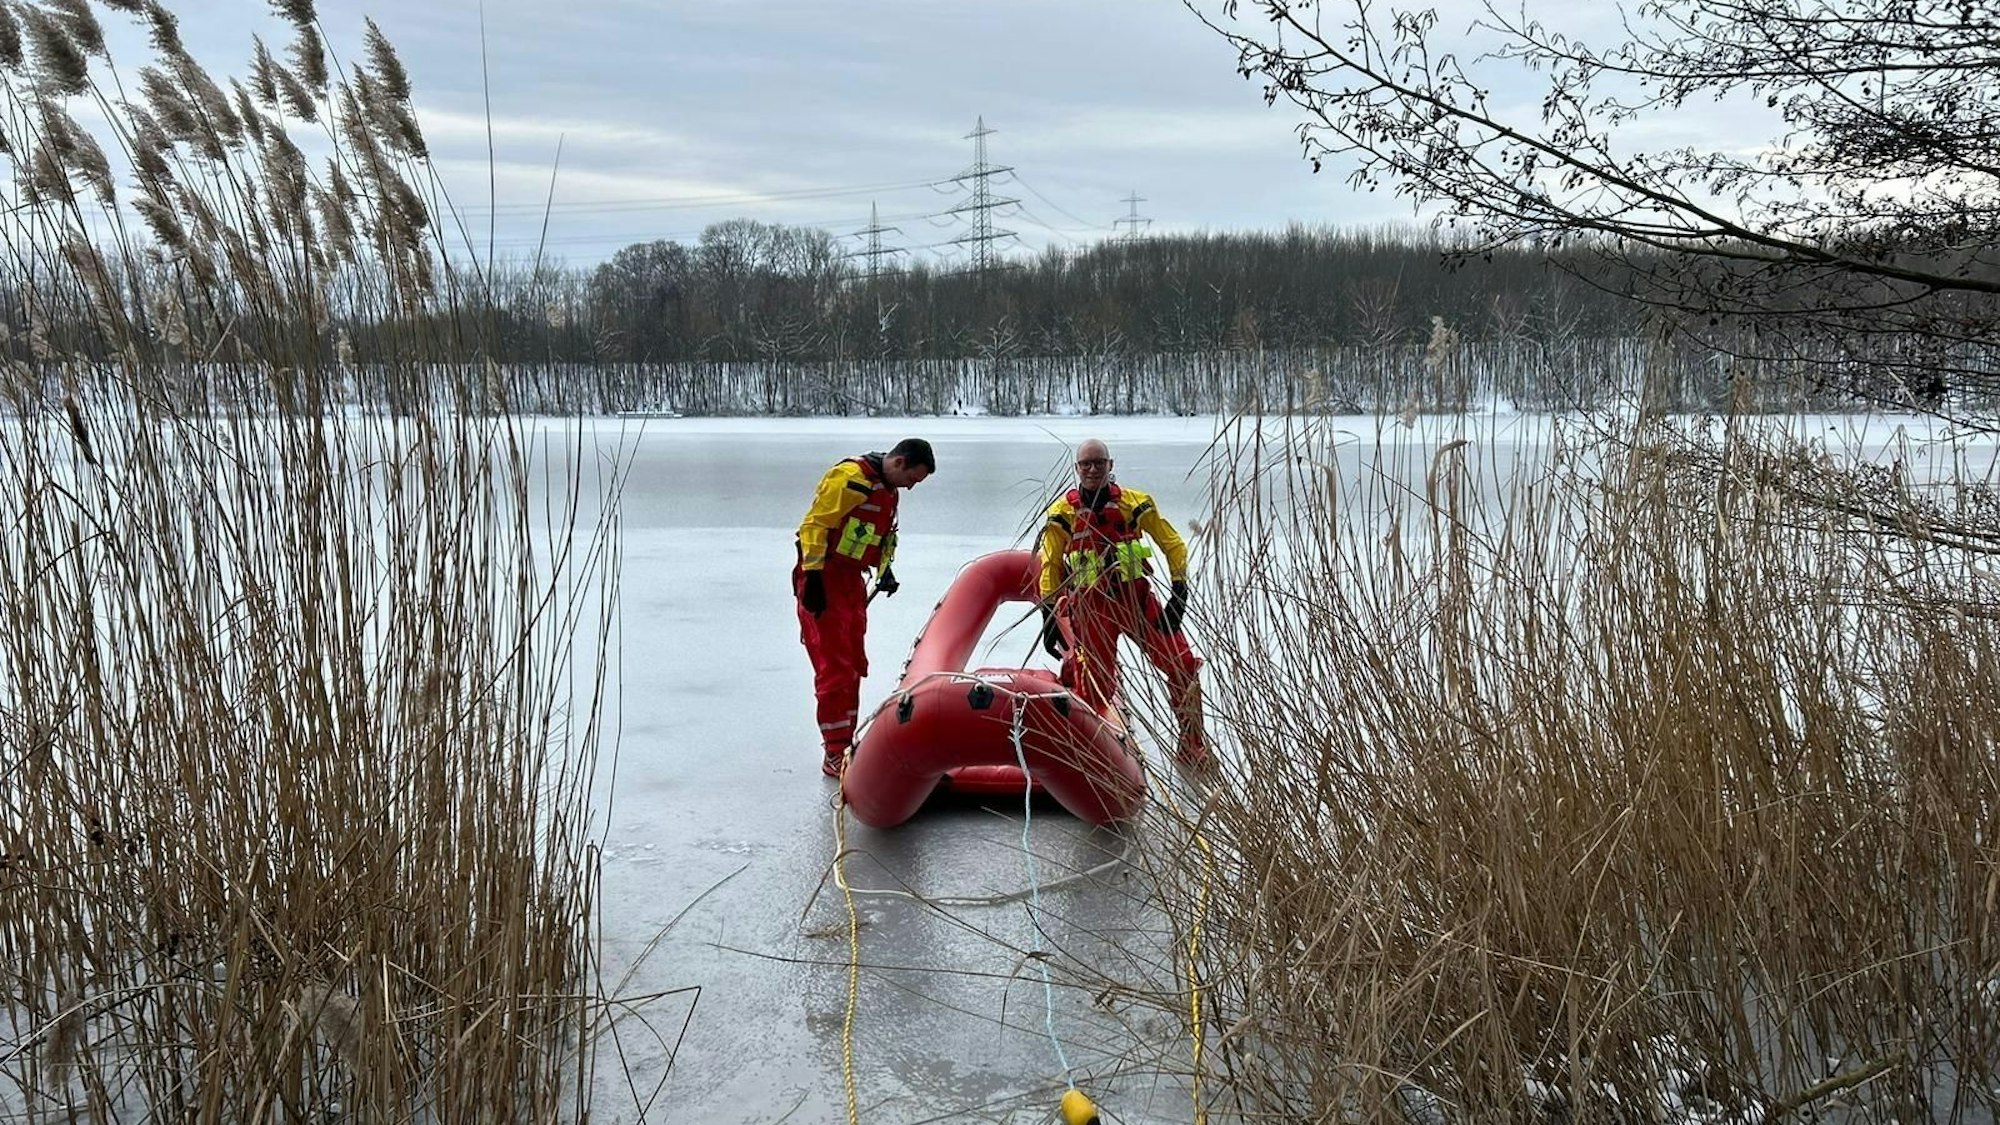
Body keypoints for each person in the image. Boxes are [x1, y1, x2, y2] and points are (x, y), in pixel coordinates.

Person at [1036, 438, 1207, 763]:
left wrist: (1179, 593)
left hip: (1136, 602)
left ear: (1110, 465)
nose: (1092, 469)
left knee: (1183, 666)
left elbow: (1173, 544)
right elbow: (1051, 564)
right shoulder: (1062, 514)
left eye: (1099, 462)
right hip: (1091, 607)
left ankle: (1192, 746)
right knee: (1095, 687)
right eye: (1086, 464)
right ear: (1077, 469)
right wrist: (1049, 614)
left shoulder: (1135, 503)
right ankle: (1090, 751)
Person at [795, 438, 936, 777]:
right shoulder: (849, 478)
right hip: (824, 578)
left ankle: (845, 744)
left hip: (852, 582)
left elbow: (885, 537)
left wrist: (885, 569)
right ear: (899, 463)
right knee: (835, 668)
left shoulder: (889, 491)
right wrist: (813, 577)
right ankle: (834, 752)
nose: (912, 488)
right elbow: (814, 526)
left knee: (854, 664)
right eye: (913, 479)